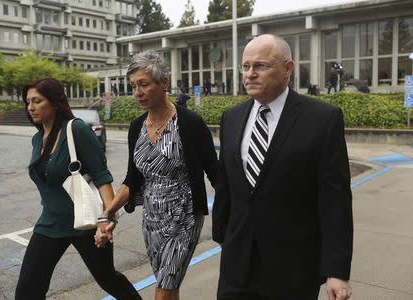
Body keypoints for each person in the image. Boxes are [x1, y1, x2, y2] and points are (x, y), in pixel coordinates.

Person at [212, 34, 353, 300]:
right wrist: (224, 235)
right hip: (237, 266)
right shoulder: (231, 118)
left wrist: (337, 270)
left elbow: (335, 201)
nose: (250, 74)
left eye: (260, 66)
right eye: (245, 66)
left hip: (293, 270)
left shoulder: (322, 120)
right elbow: (226, 185)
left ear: (287, 68)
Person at [95, 50, 217, 300]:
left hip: (184, 218)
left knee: (163, 290)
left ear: (164, 83)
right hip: (152, 219)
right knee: (169, 288)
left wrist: (235, 213)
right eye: (133, 86)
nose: (137, 92)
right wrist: (107, 215)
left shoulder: (191, 123)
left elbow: (216, 173)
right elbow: (132, 179)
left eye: (144, 84)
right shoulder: (136, 127)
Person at [15, 77, 141, 300]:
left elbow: (102, 177)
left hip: (86, 224)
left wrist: (107, 218)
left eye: (37, 101)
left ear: (54, 102)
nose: (30, 107)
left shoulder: (77, 130)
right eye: (28, 102)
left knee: (108, 279)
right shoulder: (37, 139)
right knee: (27, 290)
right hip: (49, 224)